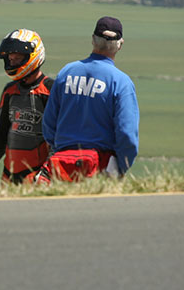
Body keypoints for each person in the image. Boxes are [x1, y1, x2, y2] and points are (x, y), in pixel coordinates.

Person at [42, 16, 139, 181]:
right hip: (100, 166)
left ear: (93, 39)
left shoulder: (66, 72)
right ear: (120, 45)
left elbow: (49, 124)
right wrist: (121, 167)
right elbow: (126, 134)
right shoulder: (121, 82)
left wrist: (61, 148)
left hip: (62, 166)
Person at [0, 29, 53, 185]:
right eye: (10, 59)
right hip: (9, 176)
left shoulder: (50, 90)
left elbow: (59, 137)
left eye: (17, 58)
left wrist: (47, 171)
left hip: (38, 176)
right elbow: (0, 133)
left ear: (33, 56)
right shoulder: (9, 91)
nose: (12, 62)